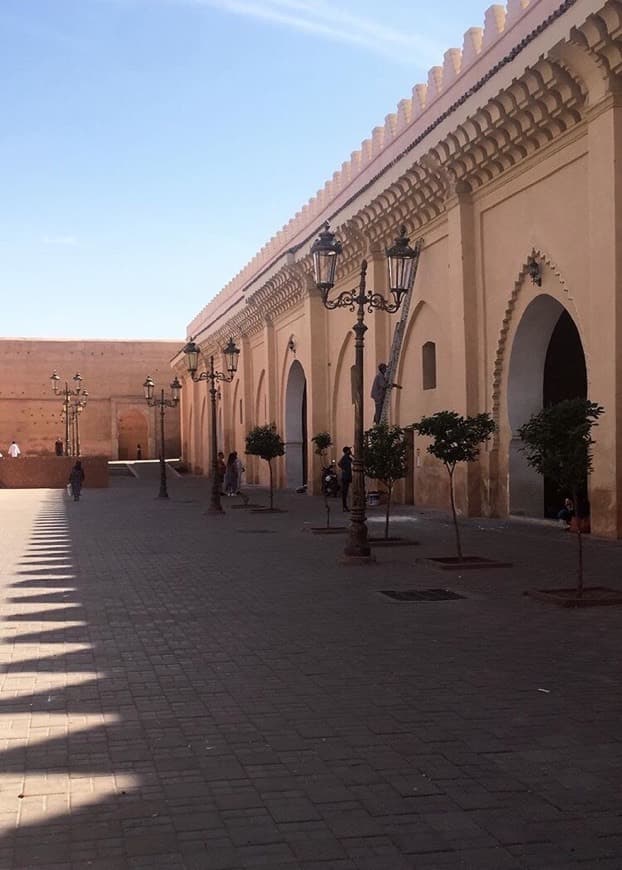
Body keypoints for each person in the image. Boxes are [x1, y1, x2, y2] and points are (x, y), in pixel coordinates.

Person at [338, 446, 353, 512]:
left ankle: (345, 506)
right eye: (349, 450)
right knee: (344, 492)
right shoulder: (345, 457)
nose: (350, 451)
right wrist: (344, 469)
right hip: (345, 477)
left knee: (345, 492)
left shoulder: (347, 457)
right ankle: (344, 506)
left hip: (347, 477)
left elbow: (354, 460)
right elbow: (339, 463)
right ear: (347, 451)